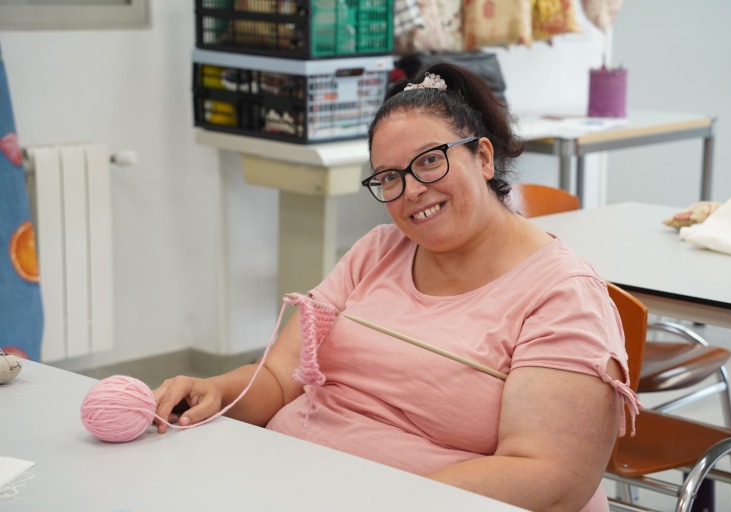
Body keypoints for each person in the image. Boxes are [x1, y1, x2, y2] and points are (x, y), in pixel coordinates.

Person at [154, 62, 641, 512]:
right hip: (296, 484)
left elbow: (551, 476)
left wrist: (388, 499)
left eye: (430, 161)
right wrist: (215, 389)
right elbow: (281, 380)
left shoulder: (560, 295)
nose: (411, 190)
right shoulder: (377, 251)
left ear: (484, 157)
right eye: (389, 177)